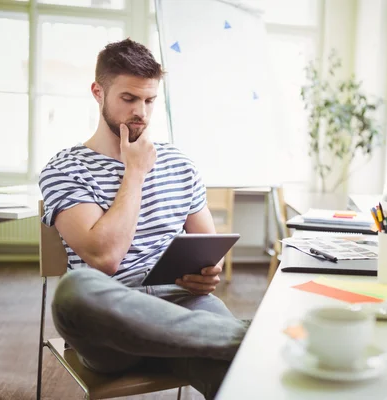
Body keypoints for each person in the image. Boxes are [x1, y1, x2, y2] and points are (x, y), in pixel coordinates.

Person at [39, 38, 247, 399]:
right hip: (110, 324)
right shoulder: (64, 168)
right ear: (98, 92)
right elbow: (104, 258)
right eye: (129, 99)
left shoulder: (180, 164)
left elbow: (208, 249)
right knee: (74, 292)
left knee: (241, 379)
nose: (142, 113)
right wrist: (134, 172)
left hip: (181, 309)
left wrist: (208, 273)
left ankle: (241, 345)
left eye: (150, 100)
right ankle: (249, 337)